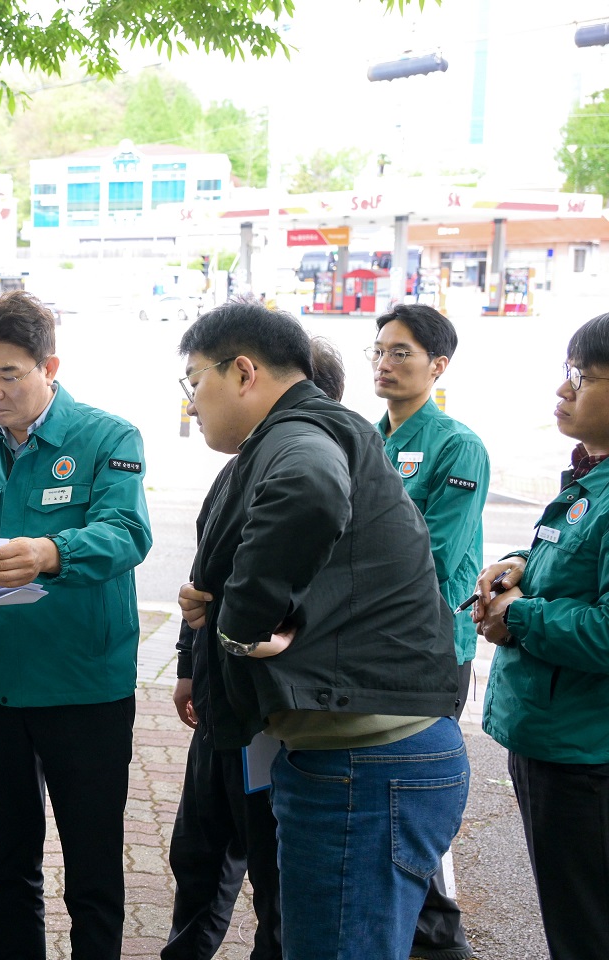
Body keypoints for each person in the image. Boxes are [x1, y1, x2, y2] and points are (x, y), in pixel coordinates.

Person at [176, 300, 466, 960]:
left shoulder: (299, 436)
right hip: (357, 753)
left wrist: (237, 626)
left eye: (195, 381)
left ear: (243, 371)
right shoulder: (306, 431)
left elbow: (309, 492)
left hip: (364, 764)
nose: (192, 403)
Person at [0, 290, 153, 960]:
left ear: (48, 366)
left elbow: (127, 533)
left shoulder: (106, 437)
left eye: (7, 374)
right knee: (10, 860)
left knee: (90, 865)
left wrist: (50, 552)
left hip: (84, 684)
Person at [163, 335, 344, 960]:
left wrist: (235, 624)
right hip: (221, 705)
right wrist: (191, 663)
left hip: (276, 715)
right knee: (197, 852)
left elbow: (303, 607)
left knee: (273, 873)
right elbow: (203, 580)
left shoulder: (314, 469)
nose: (193, 404)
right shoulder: (236, 473)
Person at [475, 313, 609, 960]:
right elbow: (571, 567)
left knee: (584, 928)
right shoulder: (591, 478)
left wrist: (518, 615)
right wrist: (518, 565)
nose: (564, 390)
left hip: (584, 757)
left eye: (581, 376)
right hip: (552, 741)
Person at [370, 304, 488, 960]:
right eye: (380, 351)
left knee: (418, 816)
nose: (385, 364)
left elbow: (436, 558)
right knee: (387, 809)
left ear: (437, 366)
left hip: (430, 650)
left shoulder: (456, 445)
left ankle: (443, 945)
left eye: (402, 353)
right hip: (372, 651)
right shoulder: (364, 437)